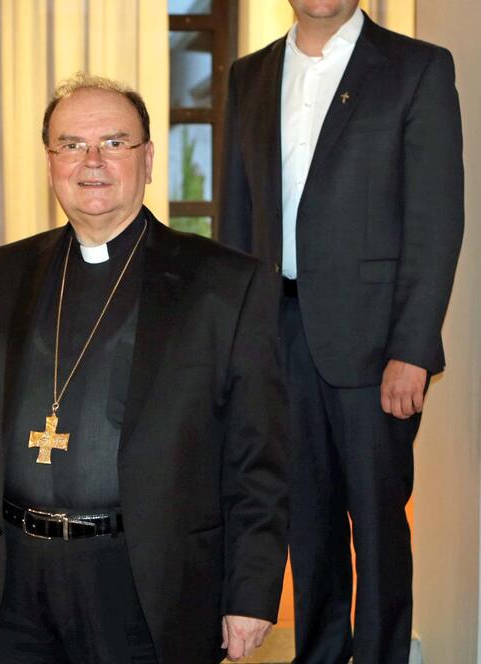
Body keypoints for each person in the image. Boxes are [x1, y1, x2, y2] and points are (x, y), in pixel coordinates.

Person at [0, 74, 289, 664]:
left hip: (146, 583)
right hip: (16, 581)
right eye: (71, 144)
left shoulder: (224, 284)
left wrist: (250, 592)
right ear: (50, 162)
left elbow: (259, 456)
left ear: (147, 160)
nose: (92, 161)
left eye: (114, 143)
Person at [219, 1, 464, 661]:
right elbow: (235, 218)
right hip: (278, 333)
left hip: (377, 346)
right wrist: (237, 343)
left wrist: (412, 349)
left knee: (379, 529)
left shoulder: (416, 68)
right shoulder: (249, 75)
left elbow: (436, 220)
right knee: (306, 525)